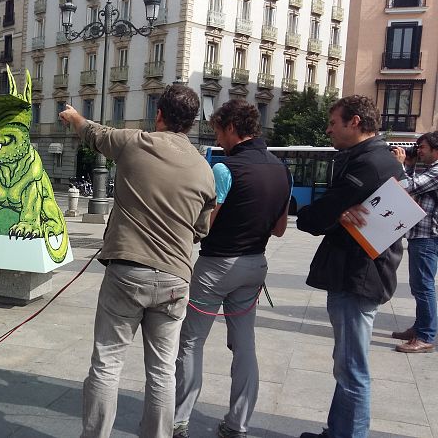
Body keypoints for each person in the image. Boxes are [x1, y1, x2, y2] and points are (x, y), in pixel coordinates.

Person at [59, 84, 216, 438]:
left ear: (158, 115)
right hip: (175, 279)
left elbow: (94, 132)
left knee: (107, 363)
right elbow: (201, 230)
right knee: (162, 371)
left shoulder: (134, 143)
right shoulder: (204, 170)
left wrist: (73, 116)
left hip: (127, 272)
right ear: (192, 122)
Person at [173, 100, 291, 438]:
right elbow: (280, 229)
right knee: (244, 345)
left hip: (216, 267)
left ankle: (178, 420)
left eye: (218, 131)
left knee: (192, 341)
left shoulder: (225, 169)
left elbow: (205, 224)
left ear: (231, 128)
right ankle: (238, 424)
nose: (218, 139)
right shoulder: (281, 170)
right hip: (255, 266)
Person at [297, 95, 405, 438]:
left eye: (333, 123)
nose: (328, 130)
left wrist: (327, 215)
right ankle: (337, 431)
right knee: (345, 364)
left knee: (352, 369)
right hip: (362, 272)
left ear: (355, 121)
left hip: (357, 275)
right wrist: (336, 215)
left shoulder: (368, 165)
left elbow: (315, 217)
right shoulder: (382, 159)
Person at [391, 132, 438, 353]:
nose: (418, 151)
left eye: (422, 147)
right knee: (419, 285)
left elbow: (407, 187)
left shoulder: (437, 171)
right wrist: (408, 166)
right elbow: (411, 185)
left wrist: (400, 165)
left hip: (427, 236)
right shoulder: (430, 169)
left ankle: (425, 336)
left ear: (436, 150)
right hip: (422, 235)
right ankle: (419, 328)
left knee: (423, 287)